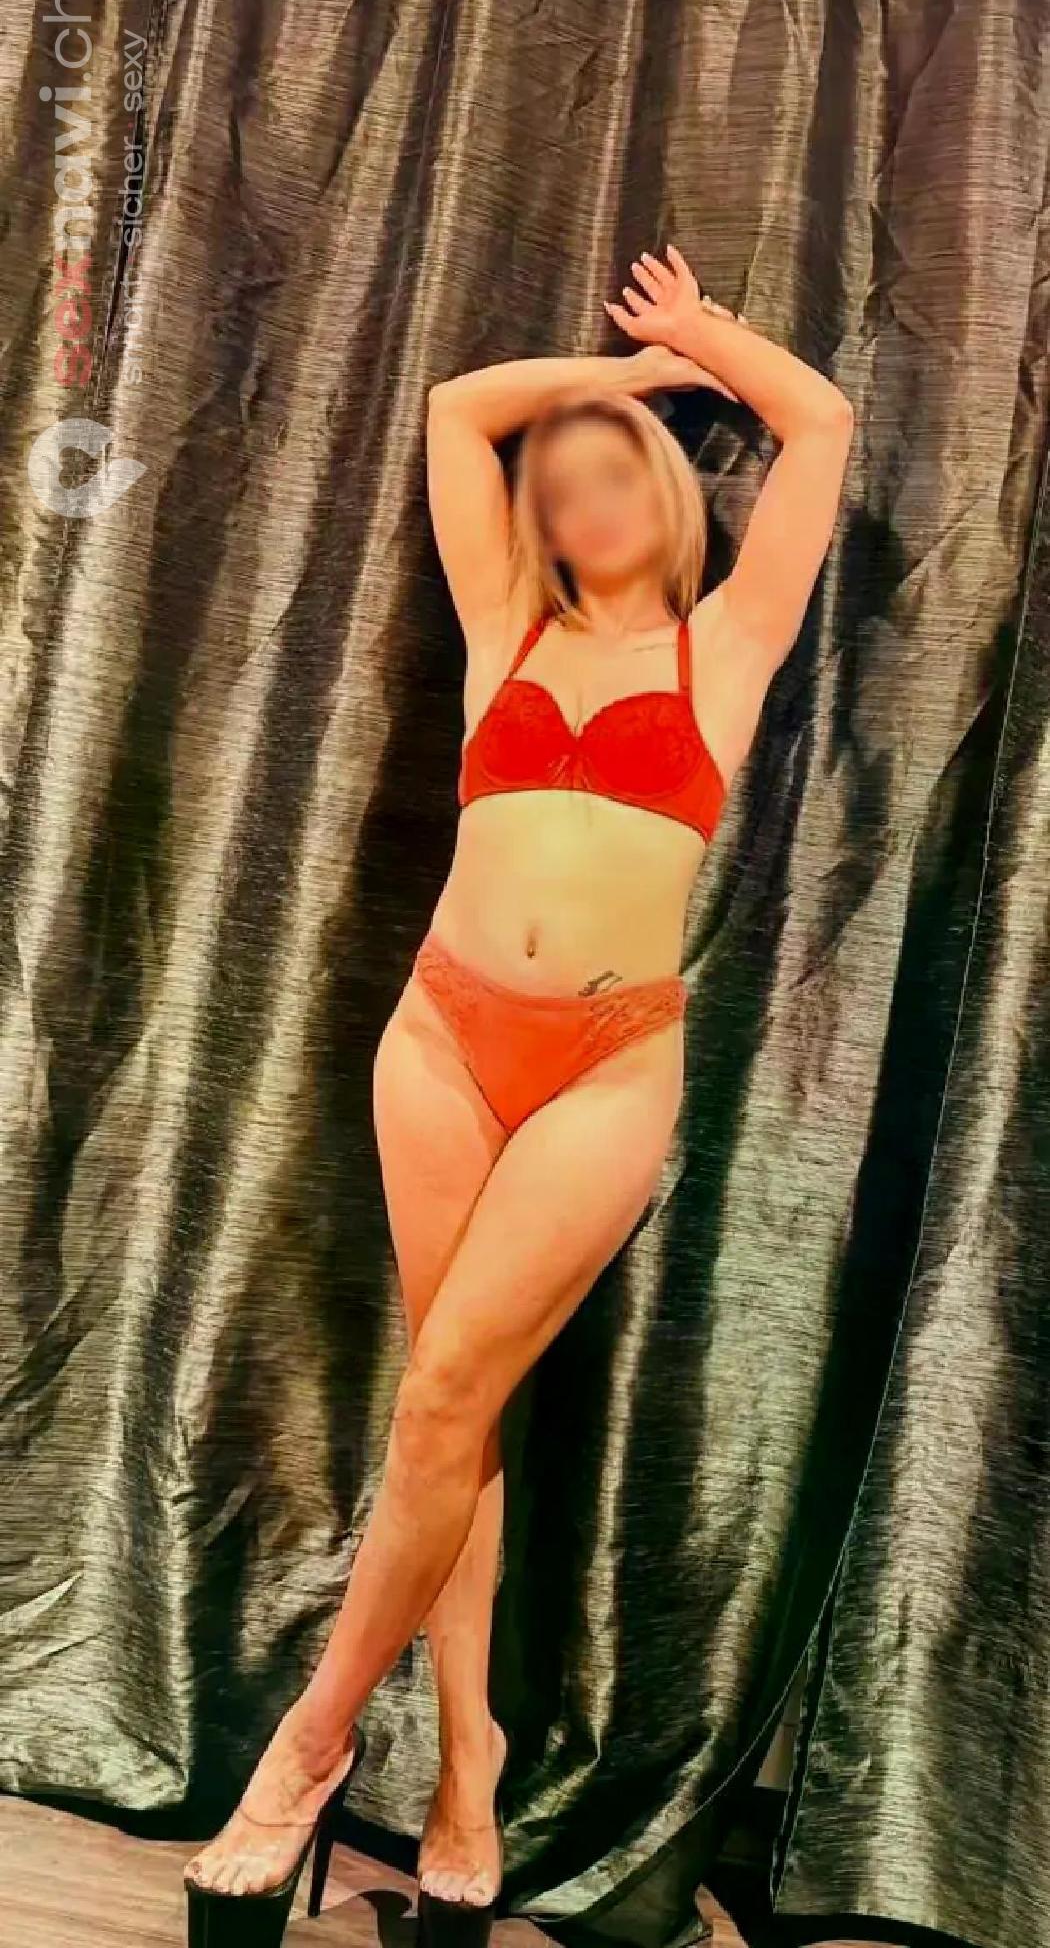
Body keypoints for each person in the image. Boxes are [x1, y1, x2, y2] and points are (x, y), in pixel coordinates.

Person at [182, 244, 854, 1946]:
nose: (581, 500)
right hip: (438, 1038)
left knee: (443, 1402)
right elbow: (452, 409)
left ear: (665, 501)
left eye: (614, 477)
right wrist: (604, 391)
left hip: (603, 1064)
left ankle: (311, 1744)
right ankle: (468, 1763)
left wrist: (699, 346)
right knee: (448, 1409)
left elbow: (822, 425)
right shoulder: (506, 625)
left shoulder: (727, 645)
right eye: (559, 489)